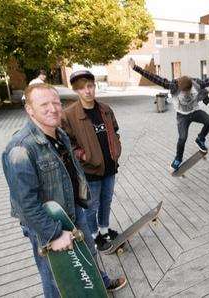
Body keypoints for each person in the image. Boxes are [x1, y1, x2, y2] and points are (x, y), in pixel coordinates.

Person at [2, 83, 126, 297]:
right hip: (46, 223)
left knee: (87, 253)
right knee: (57, 278)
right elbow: (25, 202)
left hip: (72, 211)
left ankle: (97, 287)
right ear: (30, 110)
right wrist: (54, 234)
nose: (53, 108)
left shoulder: (59, 134)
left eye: (56, 103)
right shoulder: (21, 148)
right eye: (44, 105)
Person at [128, 59, 209, 170]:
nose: (187, 94)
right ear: (179, 88)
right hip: (182, 116)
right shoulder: (172, 85)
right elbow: (154, 77)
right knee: (182, 138)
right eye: (184, 92)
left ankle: (200, 139)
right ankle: (178, 158)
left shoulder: (197, 84)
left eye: (188, 91)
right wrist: (135, 67)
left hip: (195, 111)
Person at [61, 70, 121, 252]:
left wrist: (116, 148)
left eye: (89, 86)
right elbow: (67, 143)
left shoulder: (105, 109)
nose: (87, 91)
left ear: (94, 86)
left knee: (106, 201)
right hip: (90, 170)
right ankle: (94, 236)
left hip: (109, 167)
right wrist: (83, 155)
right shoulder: (68, 115)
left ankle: (104, 229)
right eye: (81, 88)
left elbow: (116, 130)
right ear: (76, 91)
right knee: (91, 206)